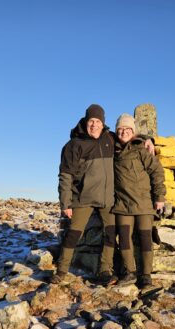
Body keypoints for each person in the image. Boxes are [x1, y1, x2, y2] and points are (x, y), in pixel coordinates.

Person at [51, 104, 117, 284]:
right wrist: (65, 203)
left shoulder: (110, 139)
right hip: (82, 198)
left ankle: (104, 270)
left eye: (97, 121)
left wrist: (148, 139)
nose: (94, 125)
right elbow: (65, 176)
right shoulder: (74, 145)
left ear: (103, 123)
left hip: (107, 199)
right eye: (91, 121)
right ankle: (61, 270)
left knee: (111, 233)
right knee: (73, 234)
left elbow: (129, 137)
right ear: (85, 122)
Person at [112, 113, 166, 288]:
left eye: (128, 129)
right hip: (122, 205)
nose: (123, 132)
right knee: (125, 239)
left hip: (144, 204)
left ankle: (146, 275)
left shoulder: (142, 149)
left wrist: (159, 198)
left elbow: (156, 172)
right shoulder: (111, 149)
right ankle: (129, 272)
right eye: (120, 129)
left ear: (133, 131)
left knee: (145, 238)